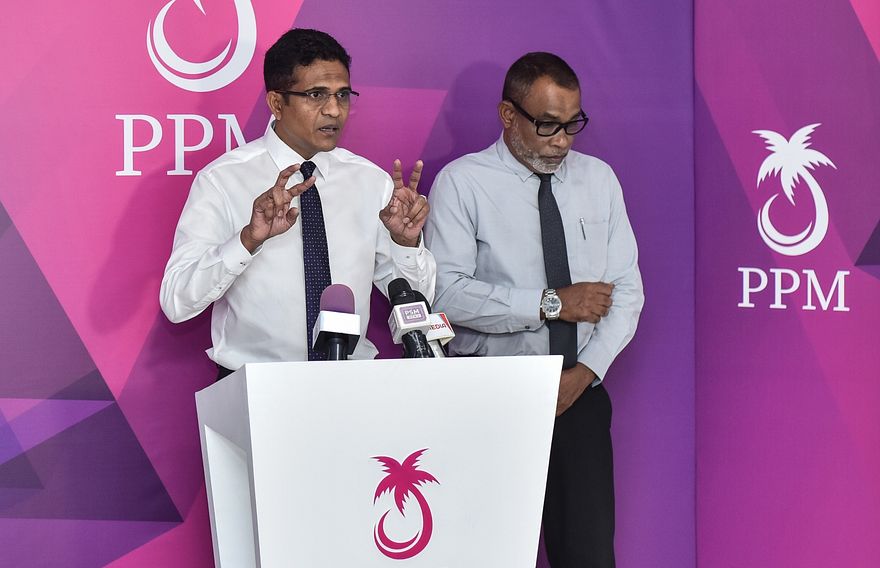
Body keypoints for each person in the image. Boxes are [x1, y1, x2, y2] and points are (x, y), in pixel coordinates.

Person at [424, 52, 643, 568]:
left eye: (572, 124)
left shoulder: (599, 180)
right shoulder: (463, 183)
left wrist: (584, 374)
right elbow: (446, 295)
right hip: (490, 392)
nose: (562, 141)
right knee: (487, 554)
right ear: (508, 115)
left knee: (588, 556)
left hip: (579, 395)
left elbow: (628, 292)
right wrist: (551, 304)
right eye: (547, 125)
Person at [160, 29, 435, 377]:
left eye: (342, 95)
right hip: (256, 385)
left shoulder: (371, 181)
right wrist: (247, 240)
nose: (334, 110)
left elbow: (418, 302)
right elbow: (177, 302)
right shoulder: (223, 180)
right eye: (316, 95)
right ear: (277, 103)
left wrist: (405, 244)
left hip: (353, 382)